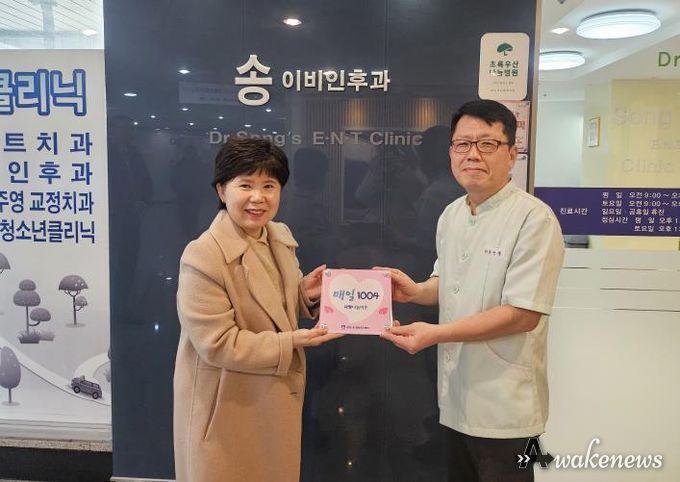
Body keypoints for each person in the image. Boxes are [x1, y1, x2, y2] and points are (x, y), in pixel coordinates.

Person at [380, 99, 565, 482]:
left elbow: (523, 314)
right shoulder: (452, 214)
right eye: (462, 144)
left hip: (506, 406)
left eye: (487, 144)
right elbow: (447, 281)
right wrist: (416, 291)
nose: (472, 154)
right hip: (455, 398)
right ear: (451, 153)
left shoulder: (534, 219)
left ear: (512, 154)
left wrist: (436, 334)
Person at [173, 138, 340, 482]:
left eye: (269, 186)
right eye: (245, 185)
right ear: (222, 190)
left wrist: (303, 294)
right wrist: (292, 342)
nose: (258, 197)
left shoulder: (278, 235)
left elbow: (273, 305)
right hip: (228, 407)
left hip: (270, 399)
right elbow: (218, 343)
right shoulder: (203, 255)